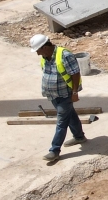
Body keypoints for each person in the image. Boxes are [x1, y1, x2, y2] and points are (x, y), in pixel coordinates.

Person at [30, 34, 85, 163]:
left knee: (61, 122)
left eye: (38, 50)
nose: (37, 53)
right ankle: (79, 136)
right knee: (70, 115)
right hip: (53, 95)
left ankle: (54, 150)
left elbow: (75, 73)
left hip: (65, 95)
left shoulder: (65, 55)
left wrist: (75, 92)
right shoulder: (45, 57)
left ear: (44, 47)